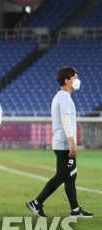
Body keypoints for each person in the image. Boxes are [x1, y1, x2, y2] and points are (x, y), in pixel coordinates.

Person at [27, 67, 94, 219]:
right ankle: (36, 202)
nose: (77, 80)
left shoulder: (61, 97)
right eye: (74, 77)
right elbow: (65, 121)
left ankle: (75, 209)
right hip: (64, 144)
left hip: (61, 143)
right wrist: (72, 142)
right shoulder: (64, 98)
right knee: (63, 176)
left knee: (69, 176)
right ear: (66, 80)